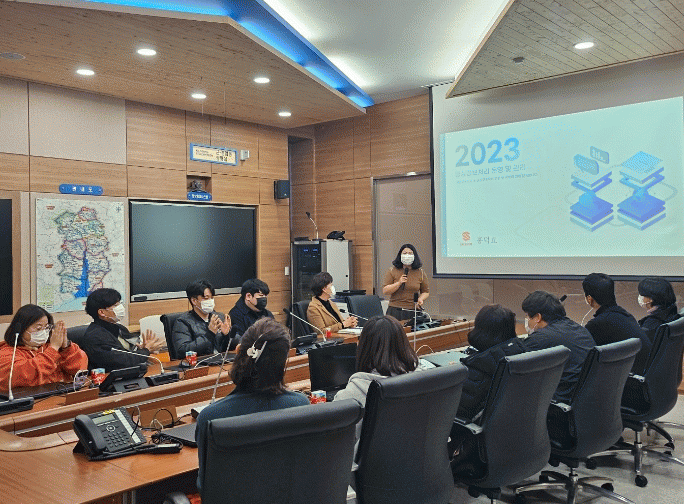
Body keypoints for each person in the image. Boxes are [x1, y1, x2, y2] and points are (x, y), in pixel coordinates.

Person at [195, 318, 309, 489]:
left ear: (238, 351)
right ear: (284, 362)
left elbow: (205, 484)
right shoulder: (300, 405)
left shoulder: (210, 417)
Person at [450, 304, 526, 473]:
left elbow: (458, 412)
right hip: (516, 440)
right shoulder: (521, 353)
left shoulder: (480, 367)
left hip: (480, 450)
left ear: (481, 330)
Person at [334, 315, 419, 447]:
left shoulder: (347, 397)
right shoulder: (423, 382)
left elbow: (336, 448)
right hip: (419, 458)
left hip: (373, 461)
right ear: (403, 344)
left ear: (363, 347)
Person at [520, 290, 595, 403]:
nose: (527, 321)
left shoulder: (540, 338)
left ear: (538, 317)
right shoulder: (579, 329)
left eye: (527, 316)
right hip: (585, 399)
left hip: (560, 402)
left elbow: (516, 365)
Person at [0, 304, 88, 391]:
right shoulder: (6, 353)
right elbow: (25, 378)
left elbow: (80, 370)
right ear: (21, 329)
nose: (43, 332)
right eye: (38, 328)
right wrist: (53, 349)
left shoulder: (50, 346)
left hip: (64, 394)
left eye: (46, 328)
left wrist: (66, 347)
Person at [81, 288, 164, 372]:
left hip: (132, 371)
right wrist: (146, 351)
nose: (120, 307)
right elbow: (121, 361)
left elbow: (127, 353)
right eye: (115, 305)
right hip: (110, 376)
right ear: (102, 312)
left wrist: (141, 349)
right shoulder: (95, 336)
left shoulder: (119, 327)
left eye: (119, 303)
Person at [582, 273, 650, 372]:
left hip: (629, 377)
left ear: (589, 299)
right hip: (644, 374)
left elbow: (583, 358)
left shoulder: (597, 325)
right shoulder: (625, 315)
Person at [172, 279, 232, 356]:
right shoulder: (183, 322)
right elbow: (183, 350)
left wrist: (227, 335)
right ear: (194, 301)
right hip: (201, 362)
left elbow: (234, 345)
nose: (210, 301)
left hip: (221, 360)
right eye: (206, 298)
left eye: (211, 298)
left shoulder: (219, 317)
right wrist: (210, 335)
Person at [382, 244, 429, 321]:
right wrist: (399, 283)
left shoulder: (420, 272)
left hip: (413, 310)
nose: (407, 255)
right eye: (404, 253)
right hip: (395, 310)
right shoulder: (392, 271)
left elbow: (426, 291)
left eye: (410, 253)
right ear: (400, 255)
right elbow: (385, 291)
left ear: (414, 256)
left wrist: (420, 299)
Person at [227, 278, 273, 348]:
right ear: (248, 296)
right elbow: (241, 342)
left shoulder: (267, 313)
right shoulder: (235, 315)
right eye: (261, 295)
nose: (264, 299)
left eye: (265, 296)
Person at [637, 276, 680, 345]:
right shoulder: (672, 314)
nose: (640, 297)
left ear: (651, 298)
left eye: (642, 294)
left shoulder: (650, 325)